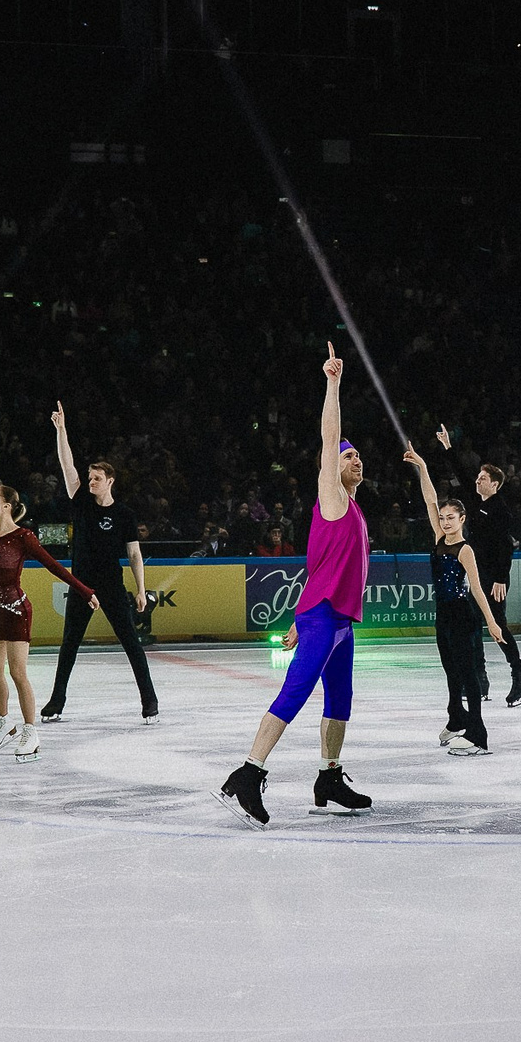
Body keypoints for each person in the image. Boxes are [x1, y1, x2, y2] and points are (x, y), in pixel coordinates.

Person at [220, 344, 374, 824]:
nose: (356, 461)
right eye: (350, 458)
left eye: (359, 458)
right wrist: (333, 383)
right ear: (332, 468)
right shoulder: (332, 496)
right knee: (295, 691)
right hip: (325, 615)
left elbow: (320, 565)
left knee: (340, 699)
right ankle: (246, 775)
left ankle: (329, 776)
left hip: (337, 618)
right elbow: (330, 439)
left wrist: (296, 618)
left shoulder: (353, 509)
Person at [0, 436, 93, 762]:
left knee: (17, 673)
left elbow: (54, 566)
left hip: (16, 611)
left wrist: (85, 591)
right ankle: (2, 722)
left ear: (6, 506)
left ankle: (30, 731)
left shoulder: (23, 537)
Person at [39, 402, 161, 724]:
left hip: (111, 586)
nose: (90, 481)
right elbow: (68, 466)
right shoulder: (81, 502)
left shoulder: (124, 515)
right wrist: (62, 430)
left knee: (132, 645)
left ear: (110, 481)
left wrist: (140, 589)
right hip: (81, 586)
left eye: (96, 478)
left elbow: (134, 554)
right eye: (89, 477)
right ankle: (56, 702)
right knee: (69, 647)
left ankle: (150, 702)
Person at [406, 444, 510, 755]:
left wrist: (491, 623)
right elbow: (429, 499)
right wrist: (423, 467)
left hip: (464, 617)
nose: (446, 521)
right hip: (443, 617)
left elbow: (477, 589)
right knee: (451, 671)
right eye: (443, 517)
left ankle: (478, 734)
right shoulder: (439, 540)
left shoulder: (465, 550)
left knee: (467, 674)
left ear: (462, 519)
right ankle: (456, 719)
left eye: (451, 517)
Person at [436, 424, 521, 706]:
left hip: (494, 579)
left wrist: (501, 578)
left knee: (498, 627)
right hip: (477, 576)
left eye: (483, 478)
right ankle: (480, 680)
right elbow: (462, 475)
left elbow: (505, 545)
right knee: (471, 626)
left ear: (495, 484)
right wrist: (448, 447)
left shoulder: (500, 509)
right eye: (478, 477)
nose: (477, 481)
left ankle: (520, 677)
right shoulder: (476, 502)